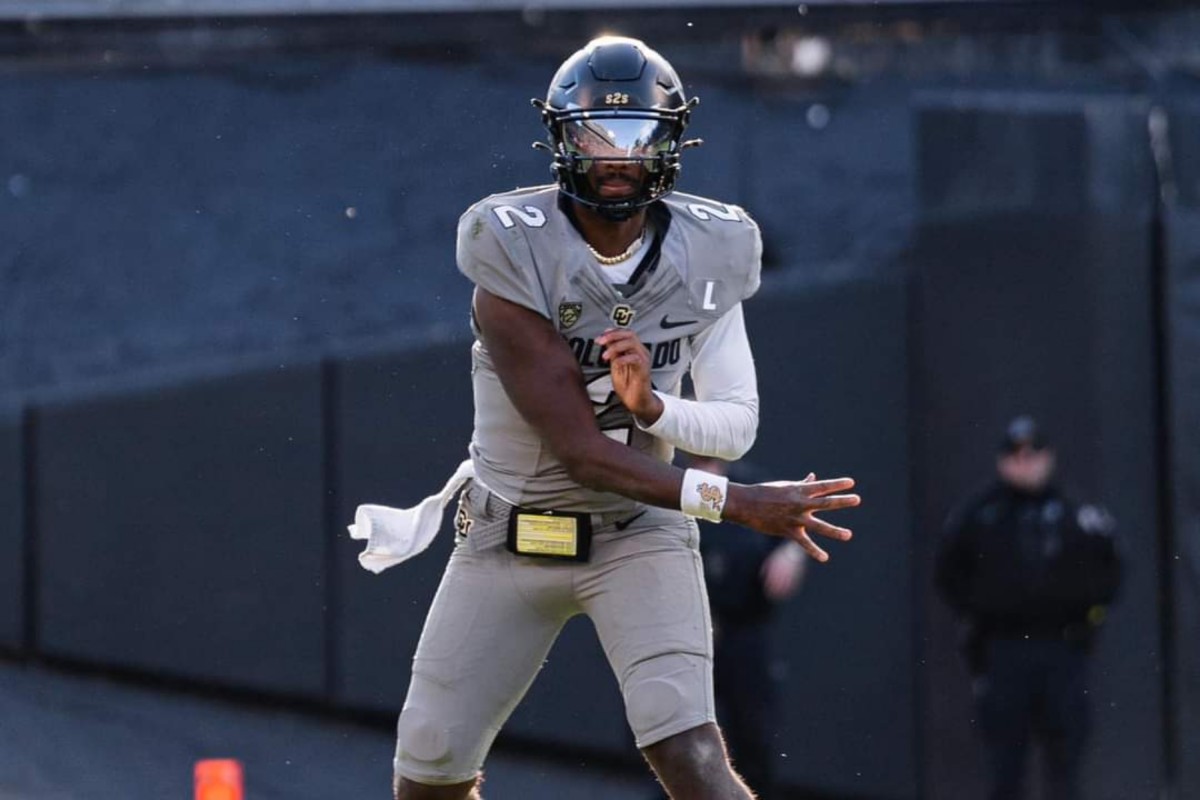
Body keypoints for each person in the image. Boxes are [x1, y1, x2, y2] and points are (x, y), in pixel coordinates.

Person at [352, 36, 860, 800]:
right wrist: (740, 503)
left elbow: (736, 421)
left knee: (687, 748)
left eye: (636, 135)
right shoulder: (509, 246)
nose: (615, 155)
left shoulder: (712, 248)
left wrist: (656, 406)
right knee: (429, 764)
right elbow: (581, 453)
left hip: (638, 535)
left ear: (671, 143)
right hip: (507, 535)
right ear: (561, 139)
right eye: (596, 134)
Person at [935, 415, 1123, 800]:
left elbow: (1113, 568)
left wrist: (1089, 614)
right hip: (1003, 650)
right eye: (1015, 454)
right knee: (1005, 768)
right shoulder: (980, 514)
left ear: (1048, 457)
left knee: (1065, 767)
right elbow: (947, 572)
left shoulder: (1077, 513)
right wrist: (980, 611)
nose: (1026, 462)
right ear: (1002, 460)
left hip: (1062, 648)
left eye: (1034, 453)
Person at [690, 454, 808, 800]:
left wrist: (791, 552)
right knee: (680, 731)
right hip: (690, 628)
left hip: (743, 628)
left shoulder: (749, 485)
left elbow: (790, 531)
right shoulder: (669, 480)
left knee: (753, 731)